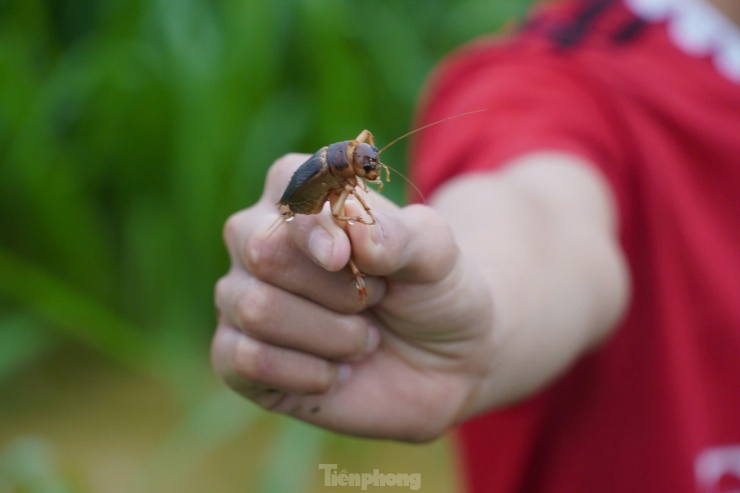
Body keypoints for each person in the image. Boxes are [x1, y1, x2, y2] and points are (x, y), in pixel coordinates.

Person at [212, 0, 740, 491]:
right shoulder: (561, 74)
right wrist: (483, 310)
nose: (373, 171)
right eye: (368, 167)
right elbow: (539, 211)